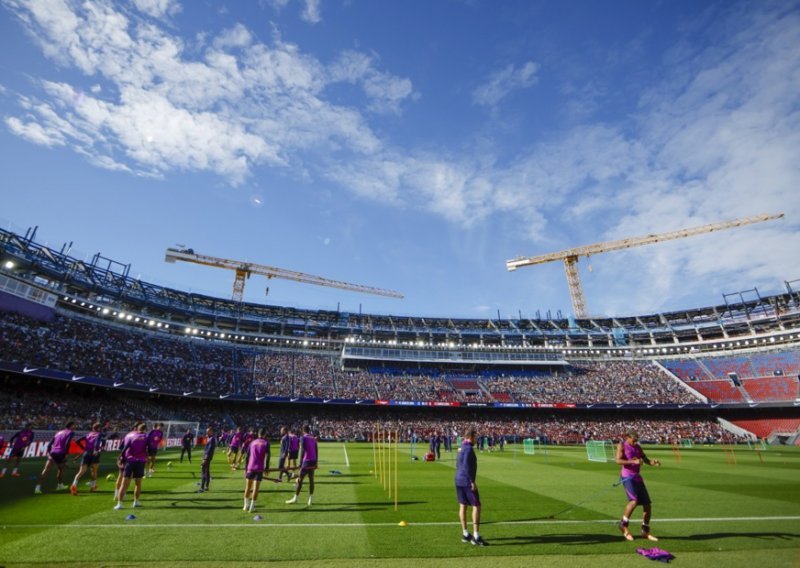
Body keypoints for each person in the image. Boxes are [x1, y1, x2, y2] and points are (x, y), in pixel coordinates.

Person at [615, 430, 661, 542]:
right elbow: (618, 461)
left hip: (637, 477)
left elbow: (645, 460)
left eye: (637, 440)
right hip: (627, 477)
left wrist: (652, 462)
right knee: (633, 501)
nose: (635, 442)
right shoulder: (622, 445)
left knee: (647, 504)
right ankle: (623, 526)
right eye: (634, 439)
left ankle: (645, 531)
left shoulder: (638, 447)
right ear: (628, 437)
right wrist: (632, 462)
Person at [455, 428, 487, 546]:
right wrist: (472, 481)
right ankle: (476, 536)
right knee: (476, 506)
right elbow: (467, 467)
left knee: (463, 506)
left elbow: (458, 464)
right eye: (476, 437)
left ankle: (465, 534)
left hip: (458, 478)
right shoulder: (468, 449)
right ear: (471, 437)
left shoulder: (461, 447)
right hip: (466, 480)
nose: (477, 439)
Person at [35, 422, 75, 494]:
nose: (75, 427)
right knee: (61, 469)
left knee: (46, 470)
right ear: (71, 426)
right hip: (61, 453)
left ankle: (37, 488)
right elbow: (67, 443)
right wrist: (66, 453)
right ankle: (59, 485)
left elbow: (49, 445)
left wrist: (49, 453)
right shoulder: (71, 432)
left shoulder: (58, 433)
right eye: (74, 425)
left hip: (53, 452)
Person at [115, 423, 148, 510]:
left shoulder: (129, 435)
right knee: (138, 483)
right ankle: (136, 502)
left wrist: (121, 458)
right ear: (145, 430)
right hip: (140, 461)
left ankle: (119, 504)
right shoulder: (146, 436)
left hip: (129, 460)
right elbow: (150, 448)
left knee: (124, 482)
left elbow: (123, 447)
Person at [70, 422, 106, 494]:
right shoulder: (99, 434)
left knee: (81, 471)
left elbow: (77, 441)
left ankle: (74, 485)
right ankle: (93, 487)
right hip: (94, 453)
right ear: (98, 428)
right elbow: (97, 441)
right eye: (100, 428)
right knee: (94, 470)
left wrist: (83, 448)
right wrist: (96, 449)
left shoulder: (88, 434)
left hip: (86, 453)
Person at [286, 425, 317, 505]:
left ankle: (295, 498)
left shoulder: (303, 438)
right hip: (313, 461)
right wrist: (316, 462)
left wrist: (300, 463)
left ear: (303, 431)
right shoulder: (313, 438)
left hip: (306, 461)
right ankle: (310, 499)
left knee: (300, 480)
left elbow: (303, 450)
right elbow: (316, 451)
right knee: (311, 480)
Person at [243, 429, 270, 513]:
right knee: (256, 489)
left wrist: (245, 468)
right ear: (264, 434)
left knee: (248, 487)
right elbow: (268, 456)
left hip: (250, 467)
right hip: (259, 468)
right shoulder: (266, 443)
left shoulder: (252, 442)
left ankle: (245, 506)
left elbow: (247, 456)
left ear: (258, 434)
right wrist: (267, 468)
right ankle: (251, 507)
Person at [200, 426, 215, 493]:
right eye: (206, 431)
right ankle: (206, 486)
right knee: (206, 471)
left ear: (211, 431)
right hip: (206, 457)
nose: (206, 432)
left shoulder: (212, 439)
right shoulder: (209, 438)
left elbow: (210, 450)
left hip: (207, 457)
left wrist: (205, 458)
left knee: (204, 471)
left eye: (208, 431)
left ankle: (202, 487)